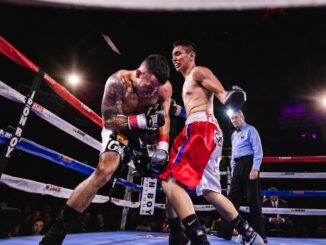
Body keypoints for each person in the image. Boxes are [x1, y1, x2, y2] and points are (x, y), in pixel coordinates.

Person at [40, 54, 172, 244]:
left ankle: (177, 231)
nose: (153, 93)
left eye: (156, 90)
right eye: (149, 87)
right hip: (118, 131)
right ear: (139, 73)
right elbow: (109, 121)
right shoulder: (117, 83)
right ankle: (57, 231)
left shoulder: (163, 89)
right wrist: (142, 120)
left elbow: (163, 118)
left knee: (166, 174)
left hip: (143, 136)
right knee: (104, 171)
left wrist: (163, 146)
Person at [160, 40, 264, 245]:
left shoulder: (198, 72)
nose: (174, 58)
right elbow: (197, 107)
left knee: (170, 180)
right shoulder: (188, 80)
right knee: (209, 191)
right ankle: (250, 234)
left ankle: (186, 234)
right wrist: (177, 111)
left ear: (192, 55)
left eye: (179, 53)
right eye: (173, 54)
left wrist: (230, 98)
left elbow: (222, 94)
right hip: (203, 129)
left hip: (200, 131)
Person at [218, 109, 268, 243]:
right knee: (231, 200)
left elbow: (258, 150)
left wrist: (255, 168)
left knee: (254, 201)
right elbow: (234, 155)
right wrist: (234, 170)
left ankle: (260, 235)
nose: (234, 120)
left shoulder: (251, 130)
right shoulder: (234, 135)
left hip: (249, 164)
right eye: (232, 118)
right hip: (238, 167)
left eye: (236, 117)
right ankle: (224, 232)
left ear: (242, 117)